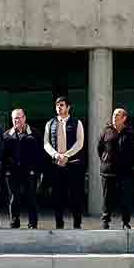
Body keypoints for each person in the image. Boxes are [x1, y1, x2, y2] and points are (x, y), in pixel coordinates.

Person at [43, 97, 86, 230]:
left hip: (73, 165)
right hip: (56, 165)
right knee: (57, 197)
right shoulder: (50, 123)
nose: (59, 108)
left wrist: (67, 155)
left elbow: (80, 142)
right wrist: (56, 155)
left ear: (68, 107)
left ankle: (77, 224)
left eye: (62, 105)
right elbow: (46, 143)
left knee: (75, 196)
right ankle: (59, 225)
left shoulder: (77, 122)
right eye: (57, 105)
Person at [97, 108, 134, 229]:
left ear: (124, 118)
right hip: (108, 171)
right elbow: (99, 148)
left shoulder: (131, 132)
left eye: (117, 115)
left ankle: (126, 222)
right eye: (114, 115)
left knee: (125, 198)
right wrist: (105, 159)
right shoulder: (106, 131)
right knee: (107, 198)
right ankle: (105, 221)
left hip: (125, 172)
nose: (114, 117)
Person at [3, 108, 43, 229]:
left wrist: (37, 170)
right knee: (14, 198)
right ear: (12, 119)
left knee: (31, 197)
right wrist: (7, 171)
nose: (17, 120)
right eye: (15, 118)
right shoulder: (6, 135)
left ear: (24, 118)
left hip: (30, 172)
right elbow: (3, 155)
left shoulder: (35, 134)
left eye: (19, 117)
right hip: (12, 173)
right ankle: (14, 222)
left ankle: (33, 223)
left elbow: (41, 154)